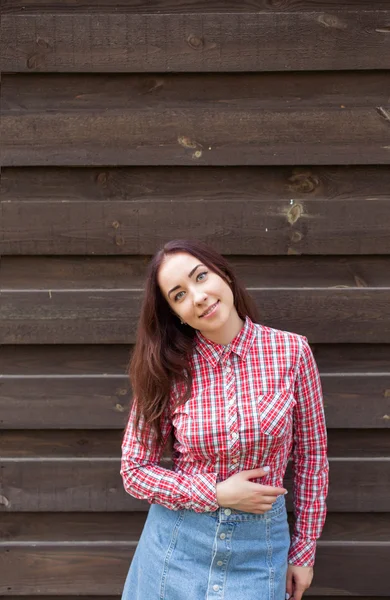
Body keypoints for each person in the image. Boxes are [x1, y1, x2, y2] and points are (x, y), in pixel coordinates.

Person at [120, 239, 329, 600]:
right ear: (176, 314)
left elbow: (312, 459)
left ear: (225, 276)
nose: (198, 296)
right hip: (175, 547)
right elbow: (134, 470)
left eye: (201, 277)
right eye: (179, 294)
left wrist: (304, 552)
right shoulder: (165, 369)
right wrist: (215, 493)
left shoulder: (292, 352)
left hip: (259, 552)